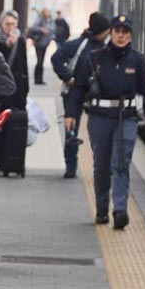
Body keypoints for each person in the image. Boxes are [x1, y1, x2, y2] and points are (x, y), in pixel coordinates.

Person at [64, 15, 145, 229]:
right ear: (111, 33)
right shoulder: (93, 58)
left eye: (125, 32)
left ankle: (120, 209)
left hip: (127, 117)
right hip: (100, 118)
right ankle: (102, 208)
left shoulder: (137, 60)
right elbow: (78, 89)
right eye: (117, 32)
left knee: (121, 162)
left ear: (130, 35)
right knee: (102, 166)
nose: (121, 36)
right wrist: (71, 113)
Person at [52, 12, 111, 179]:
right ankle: (71, 165)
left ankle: (101, 164)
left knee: (98, 130)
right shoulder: (79, 44)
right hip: (73, 92)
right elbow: (56, 58)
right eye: (105, 31)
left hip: (97, 96)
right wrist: (67, 77)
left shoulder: (107, 45)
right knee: (71, 130)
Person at [0, 9, 29, 109]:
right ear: (1, 24)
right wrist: (6, 46)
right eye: (7, 24)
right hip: (0, 86)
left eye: (13, 24)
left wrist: (25, 89)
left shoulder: (20, 40)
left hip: (16, 85)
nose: (10, 27)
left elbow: (23, 65)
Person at [27, 8, 55, 85]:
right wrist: (41, 29)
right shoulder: (39, 20)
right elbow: (33, 28)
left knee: (41, 62)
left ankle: (40, 79)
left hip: (45, 43)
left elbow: (53, 29)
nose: (47, 13)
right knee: (39, 61)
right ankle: (37, 79)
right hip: (39, 43)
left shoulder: (50, 20)